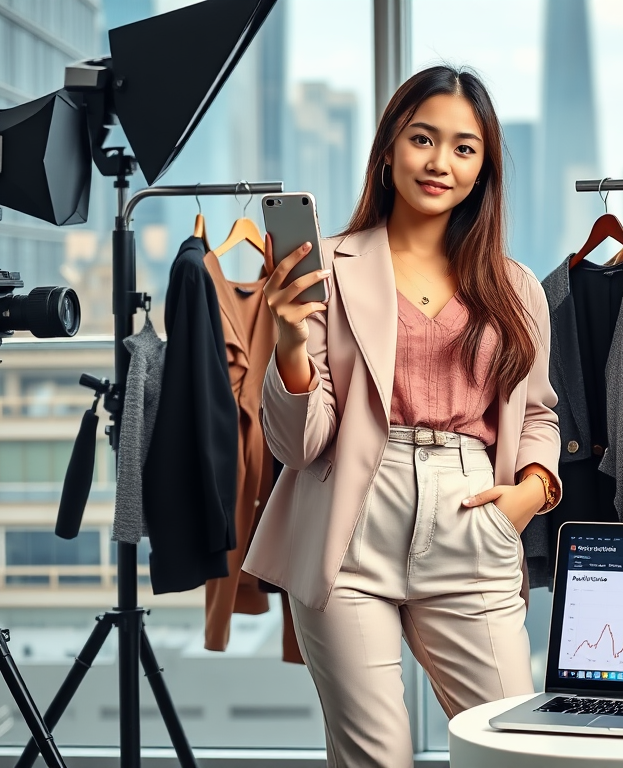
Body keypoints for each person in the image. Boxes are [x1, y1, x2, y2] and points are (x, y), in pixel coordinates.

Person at [242, 65, 561, 768]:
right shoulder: (325, 268)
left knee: (520, 749)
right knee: (374, 759)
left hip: (472, 516)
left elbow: (538, 412)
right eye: (422, 138)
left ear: (484, 169)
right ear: (388, 150)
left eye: (464, 147)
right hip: (351, 523)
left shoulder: (515, 288)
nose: (440, 162)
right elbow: (300, 445)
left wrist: (528, 494)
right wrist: (292, 341)